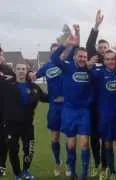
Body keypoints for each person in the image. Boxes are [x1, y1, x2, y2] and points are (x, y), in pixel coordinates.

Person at [51, 31, 93, 180]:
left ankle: (84, 173)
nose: (82, 59)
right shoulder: (67, 67)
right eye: (80, 56)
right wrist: (66, 44)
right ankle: (72, 171)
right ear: (75, 56)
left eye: (84, 57)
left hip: (84, 112)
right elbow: (54, 58)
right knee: (71, 143)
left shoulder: (89, 69)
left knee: (84, 143)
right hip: (69, 111)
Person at [29, 43, 73, 177]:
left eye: (59, 51)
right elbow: (33, 78)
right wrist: (30, 72)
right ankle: (57, 162)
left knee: (69, 138)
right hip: (54, 107)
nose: (57, 53)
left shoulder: (67, 63)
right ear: (51, 53)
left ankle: (69, 164)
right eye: (54, 51)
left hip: (67, 107)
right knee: (55, 138)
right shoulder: (46, 67)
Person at [4, 62, 49, 180]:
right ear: (14, 70)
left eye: (23, 69)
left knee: (29, 150)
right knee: (13, 150)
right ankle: (17, 173)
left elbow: (46, 98)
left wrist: (64, 97)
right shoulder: (7, 84)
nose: (21, 71)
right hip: (11, 124)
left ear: (27, 70)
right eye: (18, 68)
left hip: (28, 125)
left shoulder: (34, 87)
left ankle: (25, 170)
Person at [90, 50, 116, 180]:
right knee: (107, 144)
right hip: (105, 114)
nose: (111, 61)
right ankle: (111, 171)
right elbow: (86, 71)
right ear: (103, 61)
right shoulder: (98, 73)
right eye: (107, 59)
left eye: (112, 59)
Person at [86, 10, 108, 177]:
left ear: (109, 49)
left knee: (106, 137)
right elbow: (89, 44)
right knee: (94, 137)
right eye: (100, 48)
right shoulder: (93, 59)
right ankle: (97, 163)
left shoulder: (113, 61)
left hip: (107, 106)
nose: (102, 50)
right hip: (93, 105)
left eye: (105, 48)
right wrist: (96, 25)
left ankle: (106, 165)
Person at [0, 47, 15, 177]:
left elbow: (19, 78)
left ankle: (2, 165)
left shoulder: (7, 70)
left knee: (4, 140)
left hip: (5, 112)